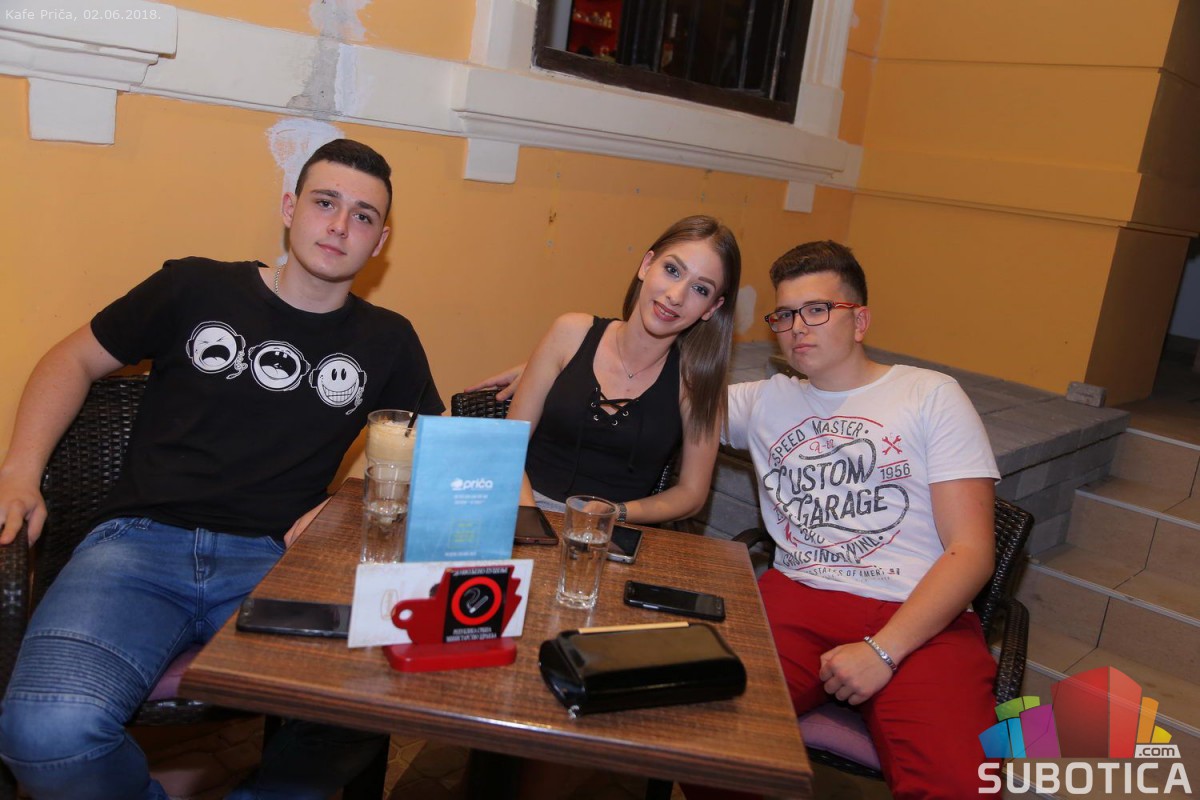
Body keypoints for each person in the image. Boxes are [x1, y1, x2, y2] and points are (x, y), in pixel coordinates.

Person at [0, 139, 444, 799]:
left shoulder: (389, 340)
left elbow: (435, 453)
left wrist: (344, 505)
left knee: (371, 695)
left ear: (379, 241)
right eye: (325, 203)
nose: (339, 226)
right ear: (290, 208)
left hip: (277, 564)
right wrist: (18, 472)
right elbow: (72, 359)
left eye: (362, 216)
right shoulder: (195, 287)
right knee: (42, 732)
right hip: (136, 549)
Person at [723, 240, 999, 799]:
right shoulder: (764, 401)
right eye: (785, 315)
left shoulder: (929, 395)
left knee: (960, 784)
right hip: (797, 596)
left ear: (860, 320)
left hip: (918, 608)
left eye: (817, 309)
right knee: (700, 732)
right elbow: (648, 388)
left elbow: (971, 551)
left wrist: (883, 650)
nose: (797, 328)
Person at [477, 215, 741, 527]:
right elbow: (509, 447)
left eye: (700, 289)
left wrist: (615, 513)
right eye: (672, 270)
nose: (676, 295)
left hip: (614, 530)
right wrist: (531, 521)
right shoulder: (570, 333)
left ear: (711, 308)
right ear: (646, 265)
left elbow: (692, 494)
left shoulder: (696, 382)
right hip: (525, 508)